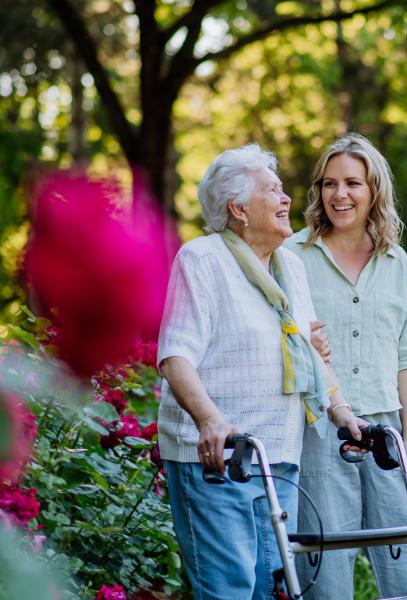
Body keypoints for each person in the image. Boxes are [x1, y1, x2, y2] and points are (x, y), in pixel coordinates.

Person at [157, 144, 363, 600]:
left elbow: (308, 353)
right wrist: (210, 420)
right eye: (273, 190)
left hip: (278, 457)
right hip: (217, 459)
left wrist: (342, 411)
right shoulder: (203, 260)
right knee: (230, 589)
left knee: (273, 590)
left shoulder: (289, 265)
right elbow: (175, 354)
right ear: (238, 208)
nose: (287, 198)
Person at [286, 133, 407, 599]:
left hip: (385, 431)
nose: (340, 195)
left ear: (374, 189)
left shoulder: (396, 263)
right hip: (318, 430)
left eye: (353, 183)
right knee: (324, 569)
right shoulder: (293, 257)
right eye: (329, 183)